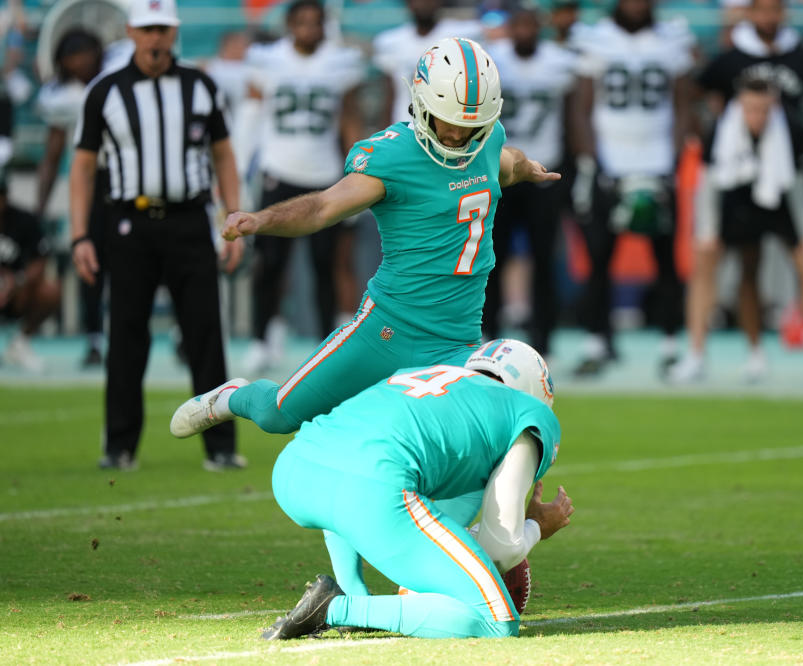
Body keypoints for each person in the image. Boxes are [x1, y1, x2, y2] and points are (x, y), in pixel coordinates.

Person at [171, 36, 558, 439]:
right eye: (450, 122)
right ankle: (233, 397)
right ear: (423, 103)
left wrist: (529, 169)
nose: (460, 135)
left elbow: (506, 161)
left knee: (472, 443)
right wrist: (261, 219)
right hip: (387, 331)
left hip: (457, 342)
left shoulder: (488, 141)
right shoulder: (393, 157)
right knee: (278, 416)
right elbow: (323, 207)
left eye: (471, 125)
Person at [260, 338, 573, 640]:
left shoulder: (417, 375)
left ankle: (352, 591)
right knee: (496, 620)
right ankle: (338, 608)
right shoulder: (528, 413)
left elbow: (351, 449)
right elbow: (501, 547)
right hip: (371, 484)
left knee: (360, 465)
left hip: (294, 471)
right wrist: (535, 527)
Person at [69, 0, 245, 471]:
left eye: (162, 29)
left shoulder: (200, 86)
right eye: (146, 29)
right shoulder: (105, 91)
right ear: (130, 30)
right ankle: (120, 447)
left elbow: (224, 154)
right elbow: (83, 166)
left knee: (205, 334)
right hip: (128, 224)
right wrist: (80, 235)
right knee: (126, 336)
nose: (154, 38)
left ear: (174, 32)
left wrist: (235, 218)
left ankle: (222, 447)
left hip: (189, 221)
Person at [672, 0, 803, 384]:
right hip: (730, 175)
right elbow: (693, 93)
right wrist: (704, 137)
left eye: (775, 10)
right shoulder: (729, 60)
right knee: (713, 255)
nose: (768, 17)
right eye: (760, 10)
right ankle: (704, 354)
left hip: (786, 177)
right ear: (749, 13)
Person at [570, 0, 696, 377]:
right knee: (599, 258)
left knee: (666, 260)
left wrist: (672, 160)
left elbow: (683, 103)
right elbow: (582, 106)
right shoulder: (597, 39)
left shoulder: (671, 39)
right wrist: (593, 160)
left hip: (656, 163)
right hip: (612, 163)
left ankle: (671, 343)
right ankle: (598, 340)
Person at [240, 0, 365, 375]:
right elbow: (250, 117)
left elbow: (350, 121)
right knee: (270, 262)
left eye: (315, 23)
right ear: (289, 25)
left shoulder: (340, 62)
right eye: (302, 22)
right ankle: (263, 338)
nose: (308, 29)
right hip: (278, 170)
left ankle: (324, 344)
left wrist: (355, 172)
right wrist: (243, 174)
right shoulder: (266, 60)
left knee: (324, 263)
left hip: (323, 176)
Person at [483, 5, 579, 357]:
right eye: (518, 25)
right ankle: (488, 331)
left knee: (544, 256)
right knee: (492, 256)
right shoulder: (492, 60)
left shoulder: (558, 61)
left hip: (545, 171)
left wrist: (574, 165)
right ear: (510, 29)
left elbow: (571, 114)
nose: (524, 32)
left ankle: (544, 336)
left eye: (529, 25)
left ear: (539, 28)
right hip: (502, 172)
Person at [35, 29, 109, 367]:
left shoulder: (116, 80)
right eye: (72, 55)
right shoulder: (62, 97)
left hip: (129, 181)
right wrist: (40, 204)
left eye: (83, 53)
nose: (79, 62)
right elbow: (52, 154)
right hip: (89, 184)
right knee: (89, 260)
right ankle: (94, 337)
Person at [371, 0, 482, 127]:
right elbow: (390, 93)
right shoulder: (391, 41)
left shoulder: (462, 35)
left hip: (448, 125)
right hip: (406, 125)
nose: (424, 4)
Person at [1, 172, 61, 373]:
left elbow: (41, 260)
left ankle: (20, 343)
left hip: (17, 293)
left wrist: (16, 281)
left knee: (50, 290)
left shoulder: (23, 220)